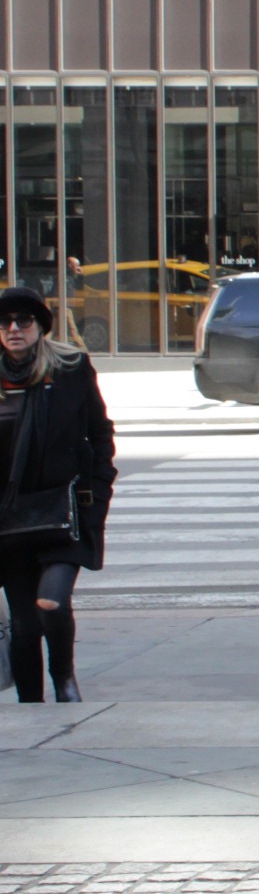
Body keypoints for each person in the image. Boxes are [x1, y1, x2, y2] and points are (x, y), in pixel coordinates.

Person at [0, 287, 114, 704]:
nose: (13, 329)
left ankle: (65, 680)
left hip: (64, 511)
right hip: (9, 521)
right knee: (25, 626)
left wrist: (97, 492)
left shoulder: (70, 368)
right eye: (5, 322)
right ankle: (31, 702)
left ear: (40, 327)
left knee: (50, 601)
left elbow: (100, 433)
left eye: (23, 321)